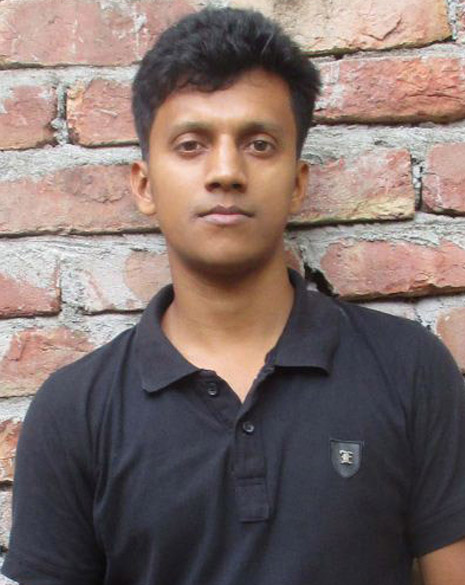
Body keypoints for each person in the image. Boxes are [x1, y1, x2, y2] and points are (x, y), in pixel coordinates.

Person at [3, 7, 465, 585]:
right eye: (191, 144)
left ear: (297, 184)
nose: (226, 171)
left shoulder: (410, 370)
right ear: (144, 185)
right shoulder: (74, 411)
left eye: (260, 144)